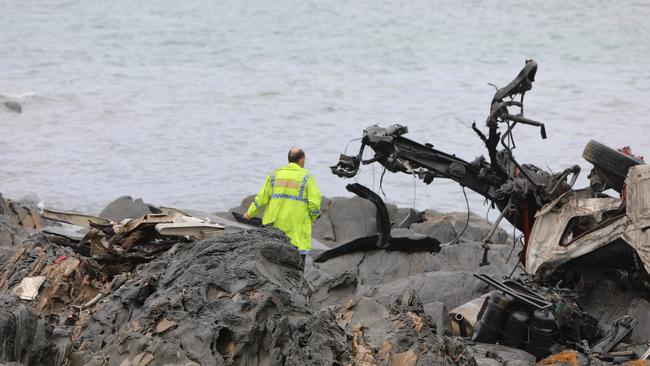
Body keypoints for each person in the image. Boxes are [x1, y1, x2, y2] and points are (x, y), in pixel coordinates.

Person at [243, 147, 322, 264]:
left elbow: (261, 199)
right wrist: (313, 218)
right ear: (301, 161)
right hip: (296, 233)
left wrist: (249, 213)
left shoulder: (275, 175)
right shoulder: (307, 178)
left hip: (274, 230)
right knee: (296, 271)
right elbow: (314, 205)